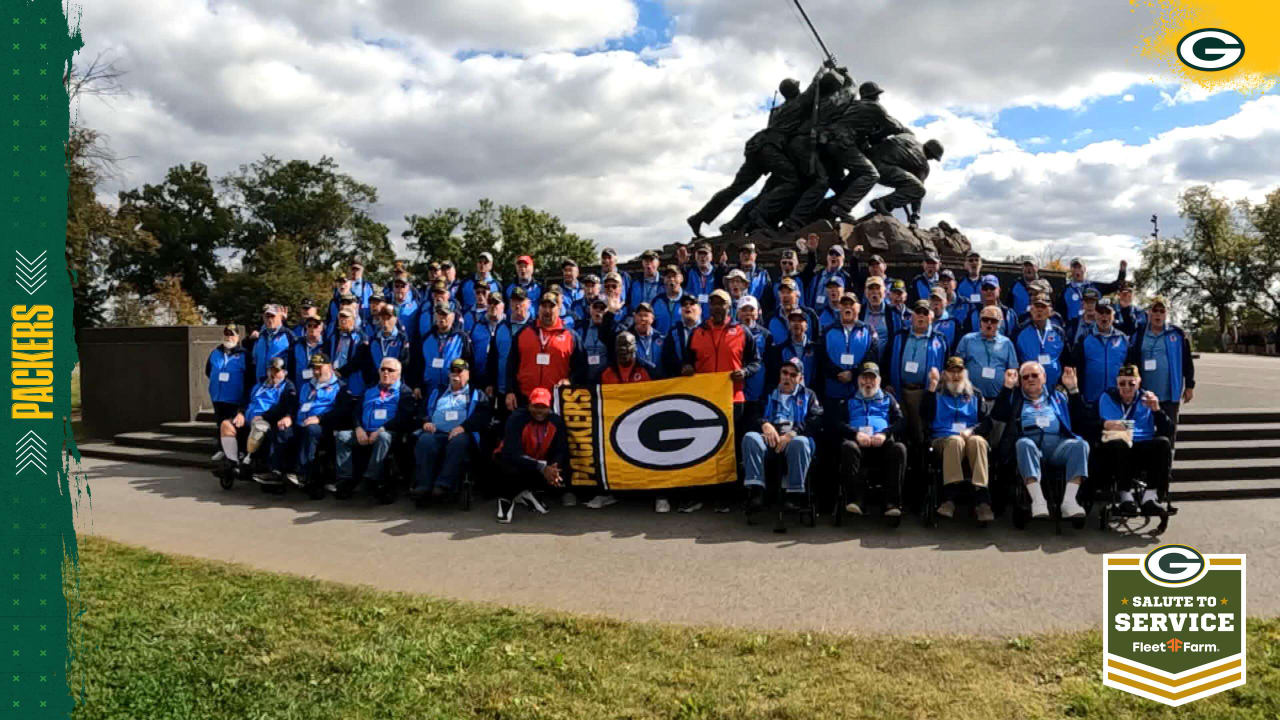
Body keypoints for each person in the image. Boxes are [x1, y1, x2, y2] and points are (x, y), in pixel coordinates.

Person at [683, 289, 761, 512]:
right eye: (714, 303)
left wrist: (745, 372)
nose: (717, 307)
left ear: (730, 307)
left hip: (733, 399)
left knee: (728, 449)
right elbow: (687, 361)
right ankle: (700, 495)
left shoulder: (742, 332)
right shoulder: (697, 332)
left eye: (722, 304)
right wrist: (686, 368)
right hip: (702, 400)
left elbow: (756, 362)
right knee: (701, 447)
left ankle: (727, 497)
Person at [992, 362, 1090, 519]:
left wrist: (1073, 389)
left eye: (1035, 375)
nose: (1030, 379)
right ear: (1020, 381)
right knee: (1023, 443)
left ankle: (1069, 502)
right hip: (1031, 448)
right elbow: (997, 415)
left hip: (1058, 446)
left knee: (1081, 445)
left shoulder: (1057, 396)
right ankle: (1038, 501)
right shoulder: (1015, 398)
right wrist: (1007, 388)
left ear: (1044, 377)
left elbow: (1081, 418)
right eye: (1025, 377)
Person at [1093, 365, 1173, 529]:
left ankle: (1150, 497)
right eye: (1122, 384)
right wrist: (1105, 424)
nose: (1127, 388)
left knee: (1163, 443)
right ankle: (1125, 495)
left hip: (1143, 445)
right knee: (1120, 443)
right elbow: (1095, 425)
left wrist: (1157, 410)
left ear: (1139, 383)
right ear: (1117, 384)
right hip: (1117, 448)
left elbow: (1168, 430)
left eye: (1131, 383)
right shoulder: (1107, 398)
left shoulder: (1147, 398)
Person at [742, 357, 823, 513]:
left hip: (795, 435)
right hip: (771, 436)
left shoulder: (809, 395)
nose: (787, 377)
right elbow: (753, 413)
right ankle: (756, 492)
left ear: (801, 378)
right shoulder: (768, 392)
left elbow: (816, 419)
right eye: (784, 373)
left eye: (793, 375)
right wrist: (764, 424)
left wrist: (794, 432)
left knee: (799, 443)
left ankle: (793, 496)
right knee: (750, 438)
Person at [332, 357, 416, 502]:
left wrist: (382, 429)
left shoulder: (404, 392)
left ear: (399, 373)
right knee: (342, 436)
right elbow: (356, 412)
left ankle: (371, 478)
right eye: (383, 369)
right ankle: (345, 479)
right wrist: (358, 428)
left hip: (388, 432)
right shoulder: (369, 390)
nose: (386, 373)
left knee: (384, 438)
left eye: (390, 370)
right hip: (364, 431)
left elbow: (404, 418)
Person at [922, 359, 994, 524]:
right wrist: (931, 389)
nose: (955, 375)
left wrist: (972, 431)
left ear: (964, 373)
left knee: (979, 442)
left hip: (969, 438)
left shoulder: (975, 394)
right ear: (945, 374)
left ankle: (982, 500)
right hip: (942, 439)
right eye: (951, 371)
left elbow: (987, 422)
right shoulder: (937, 393)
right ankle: (949, 498)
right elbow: (924, 415)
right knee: (955, 441)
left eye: (959, 371)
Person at [411, 358, 491, 503]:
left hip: (462, 433)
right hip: (437, 432)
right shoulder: (437, 391)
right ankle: (424, 485)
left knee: (458, 442)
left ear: (468, 374)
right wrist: (425, 422)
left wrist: (463, 427)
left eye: (459, 372)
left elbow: (483, 416)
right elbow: (422, 411)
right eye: (452, 372)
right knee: (425, 440)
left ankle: (443, 485)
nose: (455, 375)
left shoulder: (477, 394)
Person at [840, 362, 908, 522]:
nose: (868, 382)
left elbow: (900, 422)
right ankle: (856, 501)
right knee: (847, 447)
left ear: (879, 380)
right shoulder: (849, 399)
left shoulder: (888, 398)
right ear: (858, 380)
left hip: (882, 445)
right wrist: (855, 434)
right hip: (858, 445)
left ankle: (891, 503)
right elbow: (838, 423)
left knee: (900, 449)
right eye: (864, 378)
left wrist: (884, 434)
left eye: (872, 378)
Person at [494, 387, 571, 523]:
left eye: (543, 407)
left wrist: (554, 468)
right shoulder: (516, 418)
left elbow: (561, 449)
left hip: (538, 462)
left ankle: (528, 492)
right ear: (529, 405)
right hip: (512, 461)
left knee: (563, 468)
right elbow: (512, 453)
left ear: (549, 407)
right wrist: (542, 467)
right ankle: (506, 499)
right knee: (510, 466)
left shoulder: (556, 421)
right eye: (535, 406)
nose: (539, 411)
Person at [277, 352, 350, 492]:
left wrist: (319, 418)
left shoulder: (340, 387)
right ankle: (278, 472)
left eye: (319, 368)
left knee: (311, 431)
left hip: (323, 426)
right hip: (301, 422)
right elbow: (297, 406)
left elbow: (341, 412)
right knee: (282, 429)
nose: (316, 372)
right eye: (314, 368)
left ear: (329, 367)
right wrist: (288, 417)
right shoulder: (306, 386)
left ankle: (303, 473)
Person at [1125, 296, 1195, 441]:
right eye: (1154, 311)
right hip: (1144, 395)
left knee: (1168, 434)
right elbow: (1130, 360)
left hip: (1169, 395)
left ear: (1166, 313)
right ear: (1149, 313)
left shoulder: (1177, 334)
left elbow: (1187, 361)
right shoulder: (1139, 334)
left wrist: (1189, 386)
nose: (1158, 314)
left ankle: (1167, 463)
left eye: (1161, 311)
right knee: (1144, 434)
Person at [883, 300, 948, 446]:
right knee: (900, 432)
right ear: (912, 316)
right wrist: (887, 382)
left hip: (923, 392)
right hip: (899, 391)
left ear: (931, 317)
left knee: (920, 435)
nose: (921, 316)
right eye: (918, 312)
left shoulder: (940, 340)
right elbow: (886, 360)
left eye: (925, 313)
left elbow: (945, 366)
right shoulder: (899, 336)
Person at [506, 290, 580, 416]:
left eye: (551, 306)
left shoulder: (571, 336)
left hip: (557, 400)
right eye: (544, 306)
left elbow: (581, 368)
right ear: (538, 308)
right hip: (525, 399)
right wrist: (510, 391)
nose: (547, 310)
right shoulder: (523, 333)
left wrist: (570, 381)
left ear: (559, 308)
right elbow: (511, 365)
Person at [241, 356, 298, 484]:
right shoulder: (259, 385)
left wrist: (264, 416)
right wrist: (240, 412)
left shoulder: (287, 387)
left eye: (276, 371)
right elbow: (246, 401)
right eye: (271, 371)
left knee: (260, 427)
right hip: (249, 416)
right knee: (226, 424)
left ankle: (248, 460)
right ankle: (232, 460)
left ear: (284, 372)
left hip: (267, 419)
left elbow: (284, 407)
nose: (273, 374)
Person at [820, 292, 880, 407]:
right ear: (839, 307)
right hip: (833, 391)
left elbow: (872, 358)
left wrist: (853, 374)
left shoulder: (868, 331)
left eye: (851, 304)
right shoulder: (827, 331)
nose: (847, 307)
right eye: (844, 304)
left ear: (859, 307)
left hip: (859, 392)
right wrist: (837, 373)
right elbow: (822, 358)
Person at [1069, 298, 1129, 405]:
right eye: (1101, 312)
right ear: (1095, 314)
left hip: (1117, 400)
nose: (1104, 316)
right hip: (1091, 400)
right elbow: (1075, 367)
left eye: (1107, 312)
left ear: (1113, 315)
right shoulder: (1084, 338)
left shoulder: (1123, 339)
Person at [955, 305, 1020, 402]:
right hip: (971, 397)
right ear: (980, 321)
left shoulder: (1007, 343)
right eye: (985, 319)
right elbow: (957, 366)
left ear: (1000, 323)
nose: (989, 323)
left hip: (998, 398)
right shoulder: (967, 339)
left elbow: (1012, 369)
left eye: (993, 320)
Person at [208, 324, 252, 468]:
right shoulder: (215, 353)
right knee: (219, 423)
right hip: (218, 396)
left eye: (232, 334)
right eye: (227, 334)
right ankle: (222, 449)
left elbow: (249, 378)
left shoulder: (244, 354)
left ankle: (239, 452)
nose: (229, 337)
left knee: (236, 426)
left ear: (238, 337)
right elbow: (208, 371)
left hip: (235, 398)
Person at [416, 302, 474, 396]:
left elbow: (470, 364)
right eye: (439, 315)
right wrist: (417, 385)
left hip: (454, 391)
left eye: (445, 315)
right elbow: (419, 364)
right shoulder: (426, 338)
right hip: (429, 389)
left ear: (453, 316)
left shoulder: (462, 338)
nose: (441, 318)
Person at [1013, 293, 1068, 391]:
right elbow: (1015, 360)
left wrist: (1062, 384)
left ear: (1050, 311)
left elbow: (1065, 359)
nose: (1039, 310)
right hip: (1028, 388)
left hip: (1054, 388)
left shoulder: (1059, 332)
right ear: (1031, 309)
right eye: (1036, 306)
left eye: (1043, 307)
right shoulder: (1020, 332)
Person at [1057, 257, 1128, 322]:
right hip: (1073, 329)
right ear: (1071, 270)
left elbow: (1114, 286)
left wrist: (1122, 272)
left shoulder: (1095, 286)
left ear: (1084, 269)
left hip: (1093, 327)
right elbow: (1059, 310)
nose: (1077, 270)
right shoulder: (1065, 290)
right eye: (1074, 267)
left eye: (1079, 267)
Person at [768, 309, 820, 394]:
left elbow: (819, 376)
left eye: (800, 321)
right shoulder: (779, 350)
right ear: (788, 325)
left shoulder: (816, 349)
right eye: (793, 321)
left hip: (810, 396)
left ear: (807, 326)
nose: (796, 324)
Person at [737, 296, 770, 414]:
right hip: (736, 390)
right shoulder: (730, 332)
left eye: (751, 309)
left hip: (757, 391)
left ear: (757, 312)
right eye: (744, 310)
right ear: (738, 312)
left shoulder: (766, 335)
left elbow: (770, 364)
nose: (748, 313)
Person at [766, 277, 820, 345]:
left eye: (789, 292)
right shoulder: (770, 318)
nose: (785, 296)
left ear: (797, 295)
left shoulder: (810, 315)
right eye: (782, 292)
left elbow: (818, 340)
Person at [577, 295, 616, 386]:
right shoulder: (581, 328)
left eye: (602, 308)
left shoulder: (613, 328)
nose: (598, 310)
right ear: (590, 309)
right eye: (595, 307)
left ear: (607, 310)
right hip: (585, 380)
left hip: (606, 381)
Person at [249, 304, 293, 381]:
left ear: (280, 317)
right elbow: (254, 360)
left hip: (279, 383)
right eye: (267, 316)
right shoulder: (261, 336)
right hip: (260, 382)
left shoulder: (288, 335)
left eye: (272, 316)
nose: (269, 319)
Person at [662, 293, 701, 379]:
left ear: (700, 309)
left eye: (692, 304)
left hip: (702, 379)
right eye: (684, 304)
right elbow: (667, 357)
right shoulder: (673, 332)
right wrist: (681, 368)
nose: (688, 306)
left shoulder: (707, 330)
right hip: (679, 381)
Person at [326, 308, 365, 394]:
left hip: (352, 379)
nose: (343, 320)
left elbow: (358, 360)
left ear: (353, 320)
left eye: (346, 317)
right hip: (333, 378)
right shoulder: (333, 337)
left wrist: (342, 372)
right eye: (341, 317)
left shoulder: (360, 337)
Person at [806, 244, 852, 313]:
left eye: (837, 254)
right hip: (816, 315)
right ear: (827, 257)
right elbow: (809, 295)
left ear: (843, 258)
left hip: (837, 315)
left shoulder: (846, 277)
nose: (833, 256)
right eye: (831, 253)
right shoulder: (817, 276)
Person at [859, 276, 906, 342]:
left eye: (878, 288)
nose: (874, 292)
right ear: (865, 292)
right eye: (871, 288)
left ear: (885, 292)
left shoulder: (894, 313)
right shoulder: (858, 312)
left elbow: (898, 340)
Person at [627, 303, 666, 379]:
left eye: (646, 315)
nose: (643, 319)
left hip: (659, 383)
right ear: (634, 317)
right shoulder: (628, 339)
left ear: (652, 318)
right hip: (637, 382)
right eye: (640, 315)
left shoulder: (662, 339)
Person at [685, 242, 721, 317]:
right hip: (694, 318)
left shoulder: (718, 273)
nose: (702, 257)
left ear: (711, 256)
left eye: (705, 254)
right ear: (695, 256)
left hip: (712, 318)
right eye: (700, 254)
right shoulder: (689, 273)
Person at [651, 265, 685, 336]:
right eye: (668, 277)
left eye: (675, 276)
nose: (672, 279)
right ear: (664, 280)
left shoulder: (689, 300)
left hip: (682, 344)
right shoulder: (656, 301)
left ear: (681, 278)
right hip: (661, 344)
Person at [928, 287, 962, 354]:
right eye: (933, 300)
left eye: (939, 300)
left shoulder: (954, 323)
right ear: (928, 302)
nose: (936, 303)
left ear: (946, 302)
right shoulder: (923, 320)